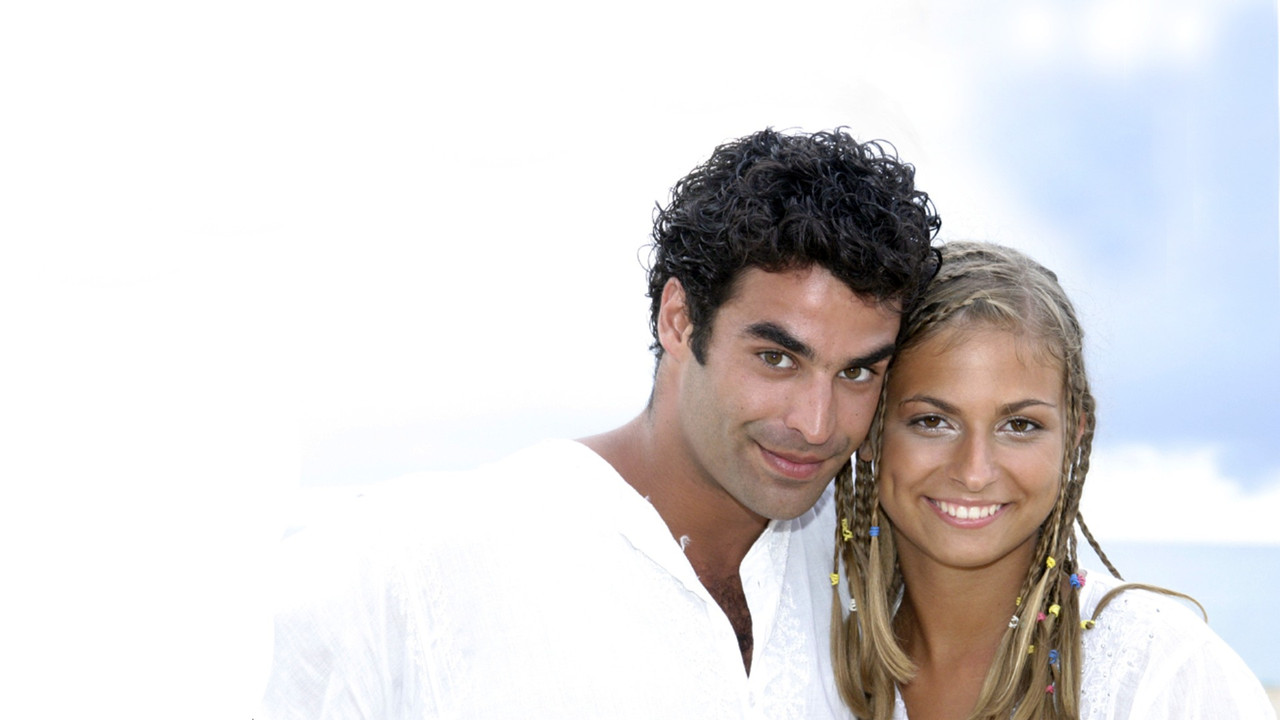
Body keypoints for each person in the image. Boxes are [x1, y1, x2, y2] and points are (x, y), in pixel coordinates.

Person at [259, 128, 941, 719]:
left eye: (857, 372)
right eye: (776, 358)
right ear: (679, 320)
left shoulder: (875, 583)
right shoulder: (410, 566)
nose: (817, 423)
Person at [829, 241, 1275, 720]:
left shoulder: (1162, 674)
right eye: (933, 421)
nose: (974, 472)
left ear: (1073, 437)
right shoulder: (816, 646)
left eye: (1019, 425)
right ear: (871, 428)